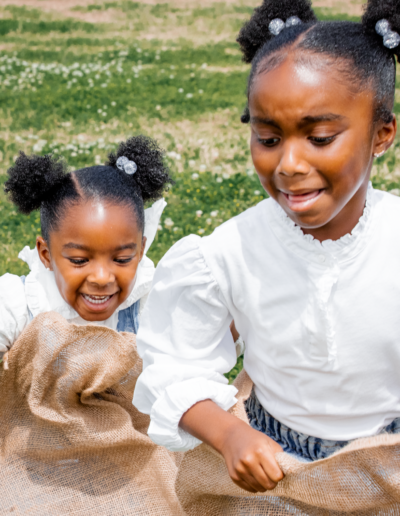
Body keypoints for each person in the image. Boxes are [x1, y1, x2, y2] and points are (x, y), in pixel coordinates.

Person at [133, 0, 400, 495]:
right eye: (268, 137)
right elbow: (174, 363)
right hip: (277, 465)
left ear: (382, 134)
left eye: (319, 137)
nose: (290, 163)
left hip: (390, 467)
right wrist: (230, 434)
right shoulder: (228, 252)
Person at [0, 136, 172, 358]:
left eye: (122, 259)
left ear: (140, 251)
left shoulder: (150, 303)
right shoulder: (17, 305)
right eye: (79, 260)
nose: (101, 278)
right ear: (46, 254)